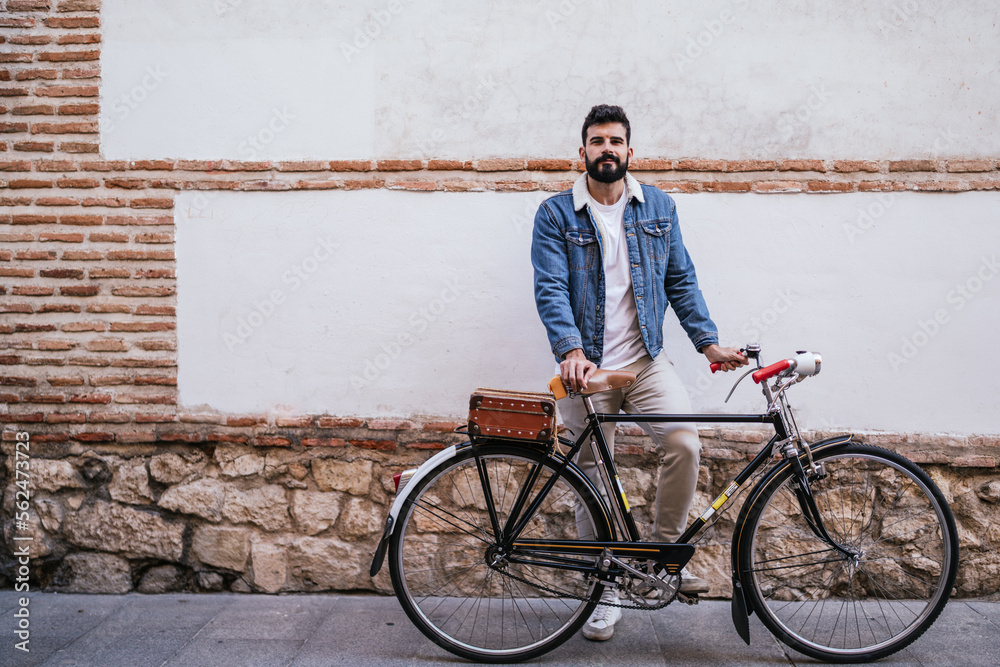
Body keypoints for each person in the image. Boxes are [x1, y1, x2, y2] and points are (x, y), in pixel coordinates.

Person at [530, 104, 747, 641]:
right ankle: (604, 589)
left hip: (647, 361)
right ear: (581, 153)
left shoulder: (659, 207)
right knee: (588, 475)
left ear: (631, 151)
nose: (607, 149)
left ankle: (661, 558)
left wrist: (707, 343)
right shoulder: (557, 214)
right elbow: (550, 288)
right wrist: (570, 351)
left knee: (684, 442)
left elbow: (681, 278)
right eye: (597, 141)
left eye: (616, 141)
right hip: (588, 370)